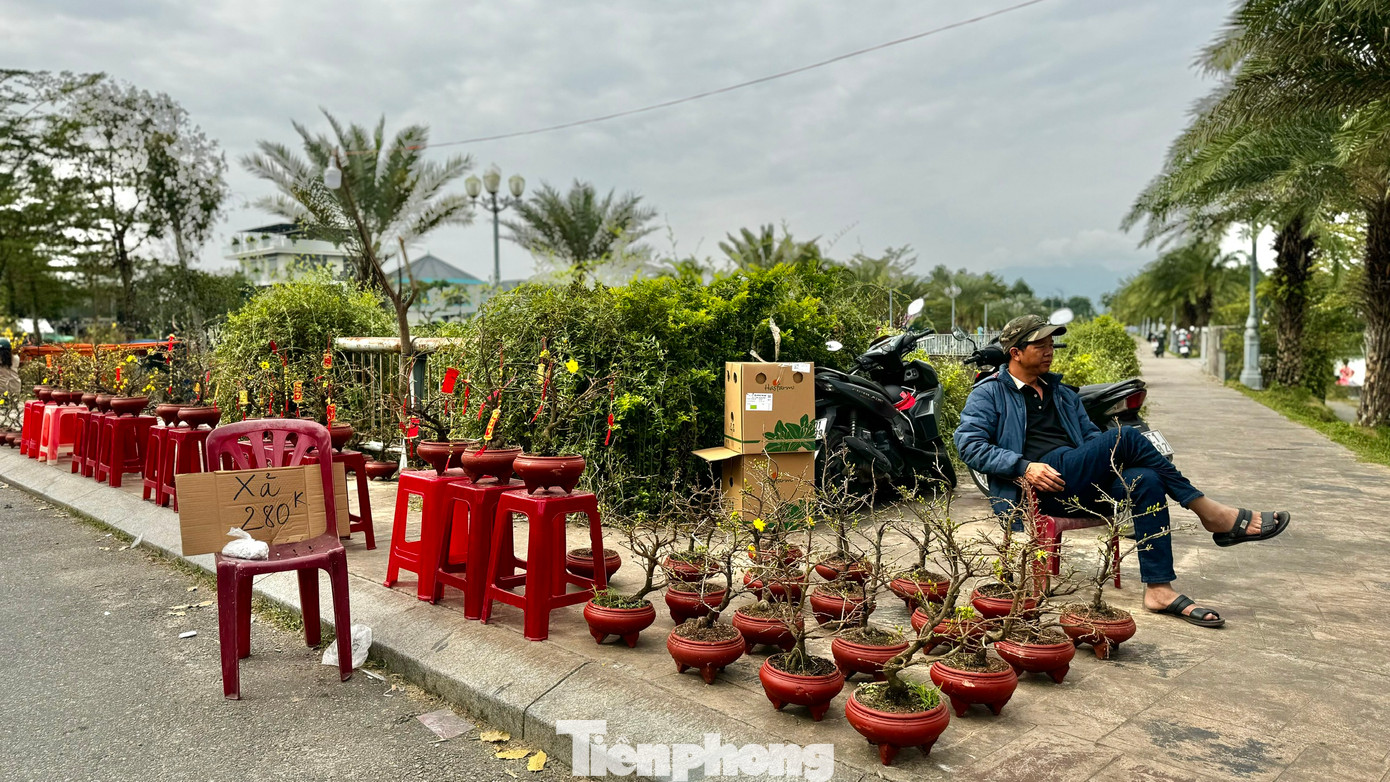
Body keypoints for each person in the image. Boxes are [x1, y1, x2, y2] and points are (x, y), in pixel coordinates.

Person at [954, 314, 1291, 628]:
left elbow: (1090, 438)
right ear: (1015, 352)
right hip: (1039, 487)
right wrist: (1023, 467)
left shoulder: (1062, 394)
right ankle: (1211, 513)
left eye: (1051, 344)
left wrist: (1106, 459)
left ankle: (1159, 589)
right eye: (1039, 345)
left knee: (1147, 479)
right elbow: (969, 445)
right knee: (1126, 435)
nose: (1049, 351)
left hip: (1078, 480)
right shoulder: (990, 393)